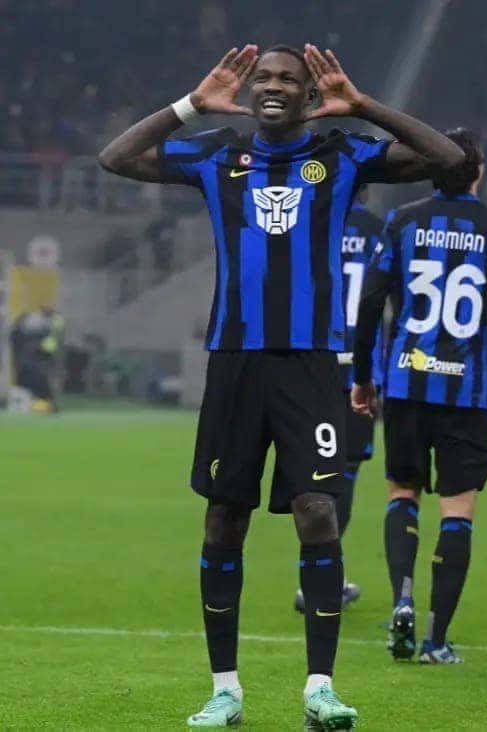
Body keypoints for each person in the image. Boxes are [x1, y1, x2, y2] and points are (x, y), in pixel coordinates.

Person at [99, 43, 464, 727]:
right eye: (262, 77)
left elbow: (448, 159)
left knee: (317, 511)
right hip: (234, 362)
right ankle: (225, 691)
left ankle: (320, 690)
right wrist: (190, 104)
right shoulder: (217, 154)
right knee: (224, 518)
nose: (271, 86)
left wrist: (363, 106)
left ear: (308, 95)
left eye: (287, 79)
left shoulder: (342, 155)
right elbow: (115, 158)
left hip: (310, 364)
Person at [352, 128, 487, 665]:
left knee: (402, 493)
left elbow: (370, 303)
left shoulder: (402, 221)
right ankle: (435, 639)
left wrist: (363, 375)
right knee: (458, 510)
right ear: (477, 171)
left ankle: (402, 600)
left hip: (406, 383)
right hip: (465, 394)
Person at [294, 185, 385, 614]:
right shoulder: (378, 230)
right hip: (355, 370)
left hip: (308, 364)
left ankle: (313, 578)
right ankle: (323, 579)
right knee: (344, 475)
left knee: (313, 474)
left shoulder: (310, 224)